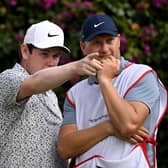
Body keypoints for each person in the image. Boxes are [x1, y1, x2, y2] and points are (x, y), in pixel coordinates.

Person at [57, 14, 168, 168]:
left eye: (109, 41)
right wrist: (108, 127)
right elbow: (64, 148)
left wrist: (104, 80)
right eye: (96, 43)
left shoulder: (141, 75)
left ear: (118, 41)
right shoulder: (75, 94)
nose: (104, 49)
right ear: (83, 47)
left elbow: (128, 125)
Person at [0, 20, 103, 168]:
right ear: (24, 51)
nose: (51, 62)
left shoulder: (51, 95)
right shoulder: (9, 78)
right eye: (44, 54)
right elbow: (34, 83)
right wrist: (76, 66)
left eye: (55, 56)